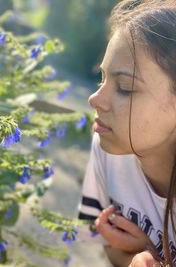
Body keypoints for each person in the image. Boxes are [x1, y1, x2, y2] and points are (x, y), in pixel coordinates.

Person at [78, 0, 176, 266]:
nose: (95, 99)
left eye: (124, 87)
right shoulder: (107, 145)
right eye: (102, 78)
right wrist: (141, 253)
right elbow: (108, 243)